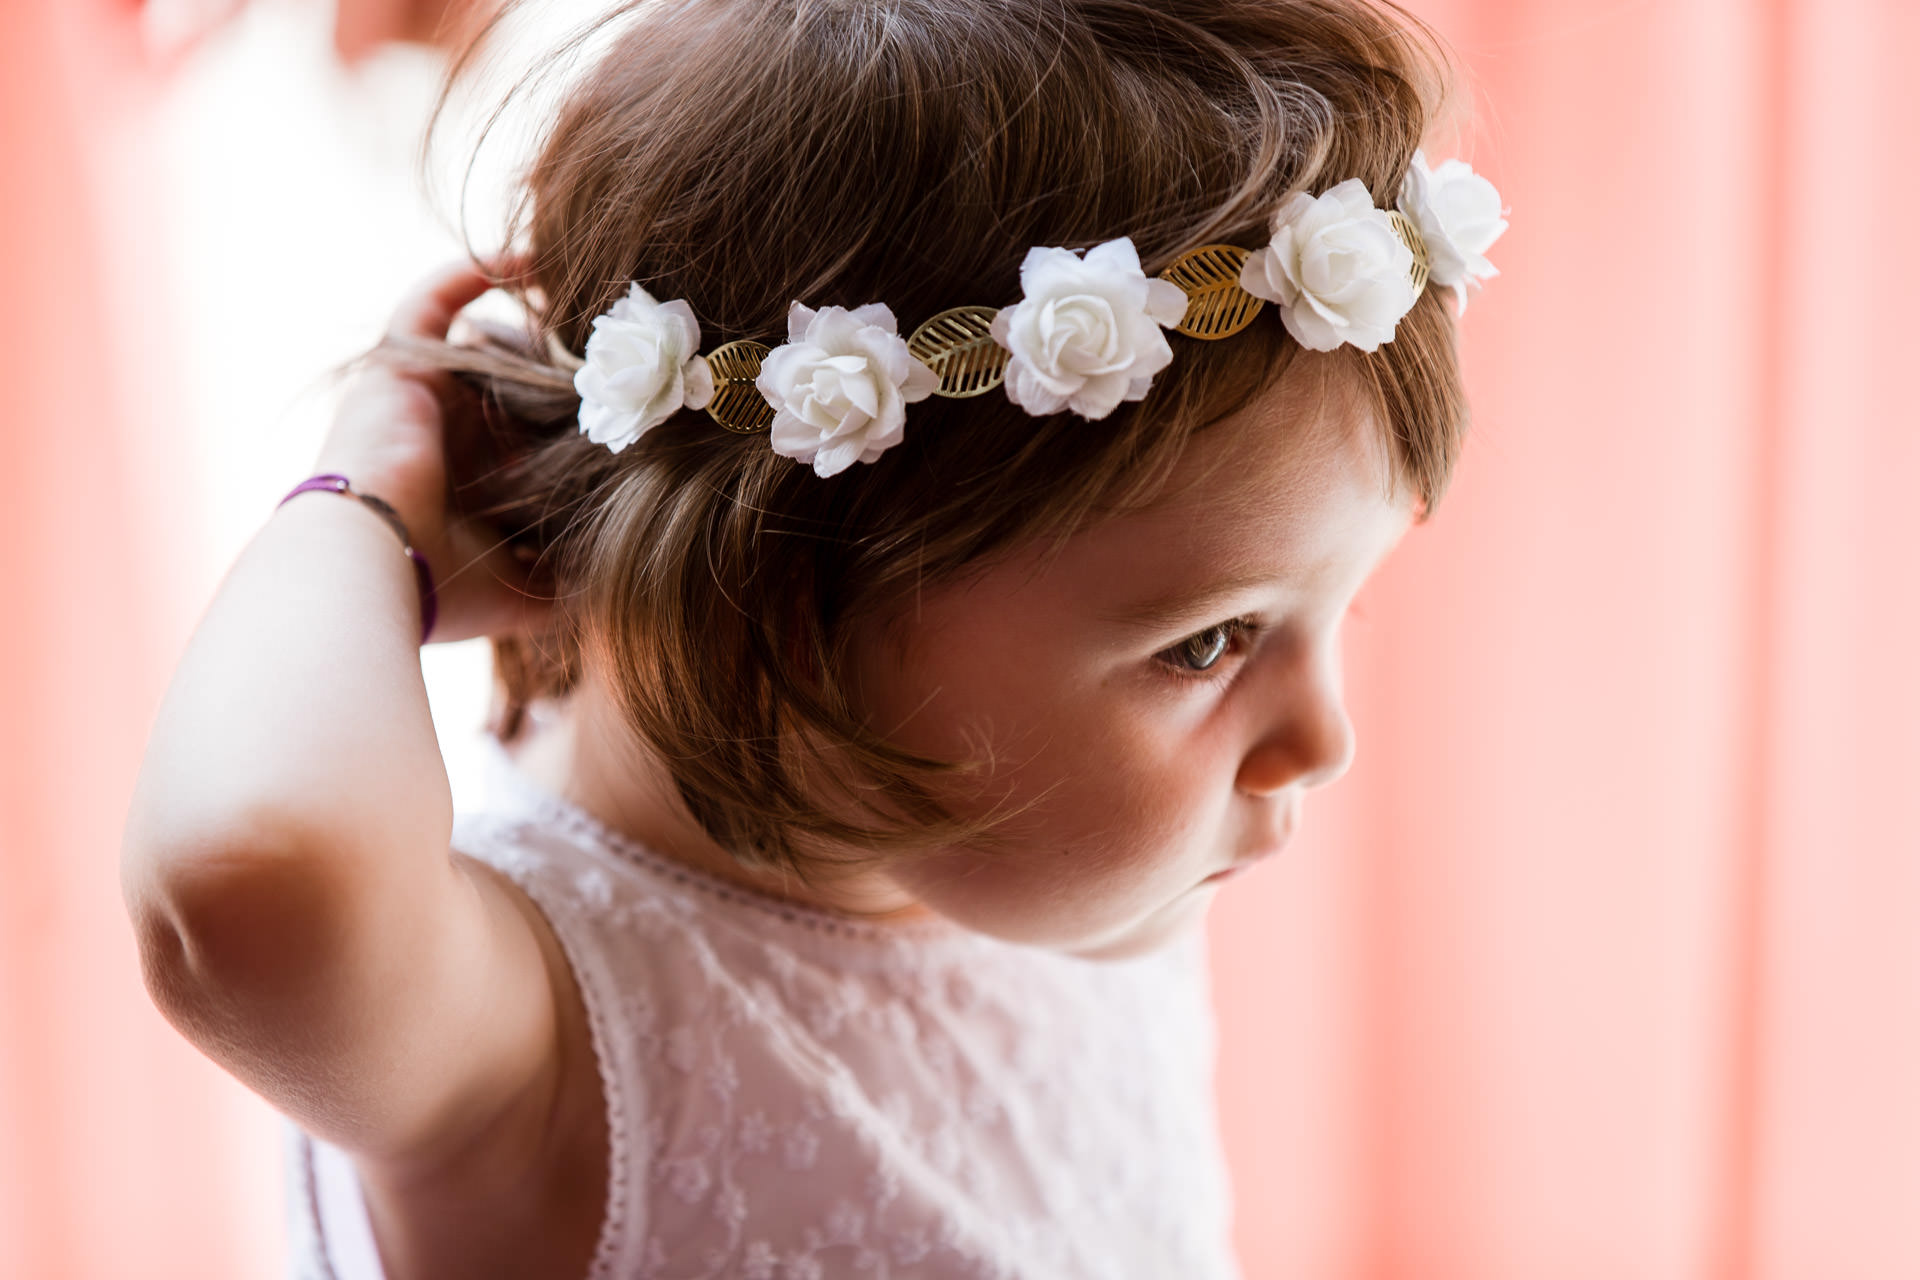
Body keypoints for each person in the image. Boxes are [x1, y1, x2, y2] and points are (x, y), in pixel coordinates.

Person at [121, 0, 1507, 1274]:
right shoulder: (542, 1051)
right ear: (770, 597)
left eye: (1342, 602)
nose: (1323, 741)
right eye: (1208, 646)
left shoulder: (1044, 887)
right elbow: (248, 879)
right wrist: (364, 513)